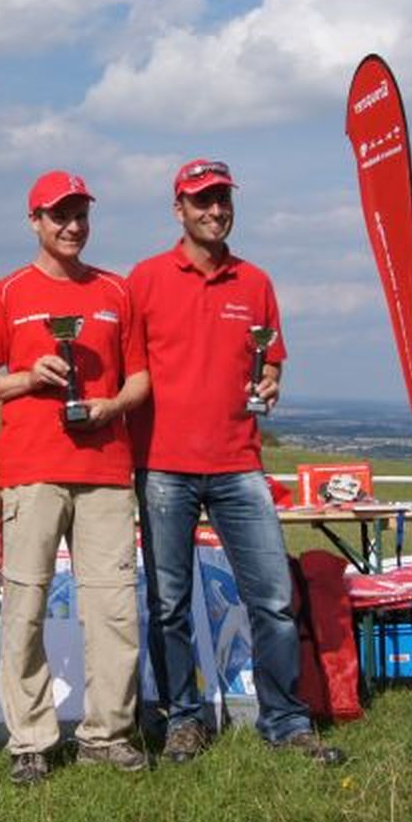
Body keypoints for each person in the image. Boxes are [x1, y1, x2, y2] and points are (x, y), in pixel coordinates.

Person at [128, 158, 344, 765]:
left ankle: (286, 721)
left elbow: (269, 361)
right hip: (163, 465)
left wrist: (270, 382)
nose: (215, 210)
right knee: (168, 605)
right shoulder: (144, 279)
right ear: (179, 209)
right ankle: (183, 719)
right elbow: (129, 372)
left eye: (223, 199)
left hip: (239, 463)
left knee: (272, 599)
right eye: (202, 200)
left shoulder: (256, 282)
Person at [0, 170, 150, 786]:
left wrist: (112, 405)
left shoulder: (116, 290)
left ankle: (107, 735)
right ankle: (30, 740)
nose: (73, 226)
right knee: (25, 606)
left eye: (80, 215)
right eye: (59, 216)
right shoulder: (6, 294)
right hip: (30, 471)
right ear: (35, 221)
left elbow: (140, 377)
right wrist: (30, 378)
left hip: (105, 471)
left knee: (114, 610)